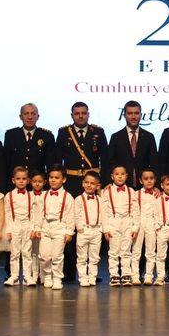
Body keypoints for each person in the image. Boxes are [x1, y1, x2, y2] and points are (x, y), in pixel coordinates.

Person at [55, 103, 104, 284]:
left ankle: (92, 272)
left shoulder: (98, 132)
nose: (81, 116)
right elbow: (57, 160)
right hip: (72, 183)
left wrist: (102, 184)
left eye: (84, 113)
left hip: (92, 184)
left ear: (88, 114)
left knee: (93, 229)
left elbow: (105, 158)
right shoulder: (64, 133)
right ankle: (69, 271)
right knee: (71, 229)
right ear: (72, 115)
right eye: (77, 113)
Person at [34, 166, 73, 290]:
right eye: (51, 177)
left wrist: (69, 232)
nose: (53, 180)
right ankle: (47, 276)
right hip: (46, 226)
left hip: (60, 227)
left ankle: (57, 278)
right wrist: (37, 228)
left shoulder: (68, 196)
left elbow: (70, 215)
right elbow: (38, 213)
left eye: (57, 177)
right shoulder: (43, 195)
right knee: (44, 255)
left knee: (57, 256)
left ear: (63, 180)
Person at [106, 101, 157, 190]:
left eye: (136, 113)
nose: (133, 116)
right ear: (124, 115)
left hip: (145, 187)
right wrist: (109, 182)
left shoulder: (149, 137)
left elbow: (154, 163)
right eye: (130, 113)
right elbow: (110, 163)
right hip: (121, 186)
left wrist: (156, 186)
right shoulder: (116, 137)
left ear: (141, 115)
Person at [101, 165, 138, 286]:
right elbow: (104, 212)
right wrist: (106, 229)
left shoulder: (131, 191)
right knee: (113, 251)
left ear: (127, 176)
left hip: (127, 222)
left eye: (122, 174)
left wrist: (135, 227)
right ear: (112, 176)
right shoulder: (106, 191)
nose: (120, 176)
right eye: (117, 174)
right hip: (113, 222)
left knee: (126, 251)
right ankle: (114, 275)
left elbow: (136, 210)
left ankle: (126, 274)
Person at [2, 104, 55, 189]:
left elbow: (50, 165)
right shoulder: (11, 135)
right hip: (15, 187)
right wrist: (4, 187)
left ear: (38, 116)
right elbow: (5, 164)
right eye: (26, 114)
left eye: (33, 114)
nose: (30, 117)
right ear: (20, 116)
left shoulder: (47, 136)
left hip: (38, 187)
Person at [3, 166, 37, 286]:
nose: (21, 181)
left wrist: (33, 228)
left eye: (23, 179)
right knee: (14, 252)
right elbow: (7, 214)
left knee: (27, 252)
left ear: (28, 180)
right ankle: (14, 276)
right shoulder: (9, 196)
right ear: (13, 180)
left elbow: (34, 213)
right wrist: (8, 229)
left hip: (27, 225)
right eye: (18, 179)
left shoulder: (32, 196)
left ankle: (27, 276)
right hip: (15, 225)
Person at [73, 170, 104, 287]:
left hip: (96, 230)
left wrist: (101, 228)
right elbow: (76, 215)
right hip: (84, 230)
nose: (89, 185)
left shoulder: (100, 200)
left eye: (92, 183)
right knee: (82, 256)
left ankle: (92, 277)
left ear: (97, 186)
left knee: (94, 257)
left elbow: (102, 214)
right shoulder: (78, 199)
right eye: (86, 182)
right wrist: (79, 228)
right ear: (83, 183)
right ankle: (82, 277)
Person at [134, 169, 161, 284]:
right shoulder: (136, 194)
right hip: (139, 222)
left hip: (152, 222)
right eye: (146, 179)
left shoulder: (158, 194)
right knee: (136, 251)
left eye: (151, 178)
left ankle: (149, 275)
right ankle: (135, 275)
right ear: (140, 181)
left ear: (155, 180)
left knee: (150, 251)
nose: (149, 181)